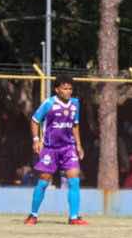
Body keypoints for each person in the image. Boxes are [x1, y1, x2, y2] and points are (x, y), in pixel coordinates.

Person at [26, 75, 87, 226]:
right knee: (43, 182)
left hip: (68, 148)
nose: (68, 91)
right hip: (50, 149)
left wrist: (78, 145)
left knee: (74, 179)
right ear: (57, 89)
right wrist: (36, 140)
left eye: (70, 89)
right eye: (65, 88)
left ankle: (73, 217)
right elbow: (34, 121)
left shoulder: (75, 104)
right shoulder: (49, 103)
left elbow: (75, 125)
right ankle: (33, 215)